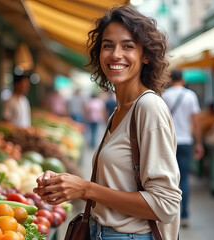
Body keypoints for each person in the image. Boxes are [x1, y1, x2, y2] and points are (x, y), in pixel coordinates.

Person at [34, 6, 181, 240]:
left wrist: (84, 188)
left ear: (145, 55)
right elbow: (116, 186)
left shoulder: (148, 107)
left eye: (128, 46)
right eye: (108, 45)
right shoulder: (119, 111)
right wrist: (64, 184)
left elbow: (165, 204)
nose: (115, 54)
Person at [162, 69, 204, 228]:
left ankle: (169, 216)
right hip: (186, 141)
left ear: (170, 79)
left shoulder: (165, 96)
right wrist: (198, 143)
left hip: (168, 143)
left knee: (168, 180)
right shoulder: (190, 96)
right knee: (184, 179)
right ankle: (184, 215)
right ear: (183, 80)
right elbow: (196, 122)